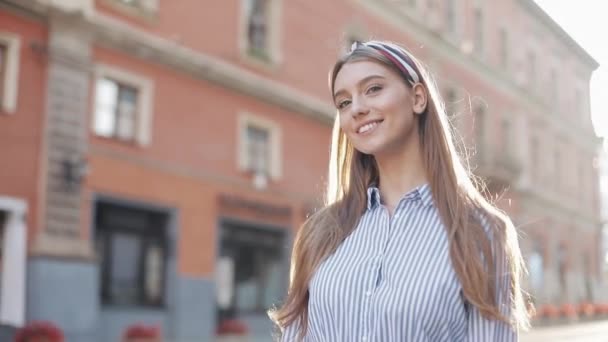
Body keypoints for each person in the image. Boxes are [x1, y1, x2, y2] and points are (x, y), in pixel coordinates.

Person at [269, 40, 531, 341]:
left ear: (418, 97)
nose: (357, 108)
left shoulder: (481, 231)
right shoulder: (319, 233)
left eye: (373, 89)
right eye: (344, 102)